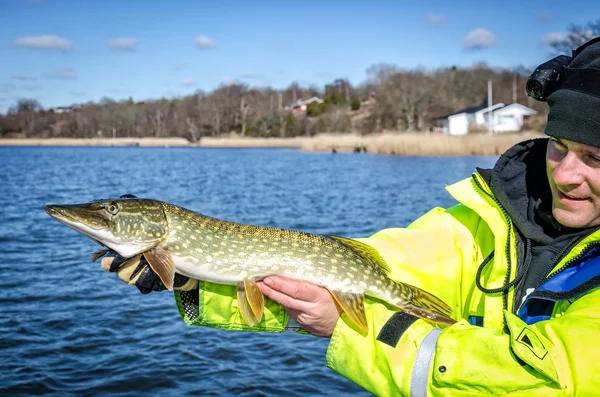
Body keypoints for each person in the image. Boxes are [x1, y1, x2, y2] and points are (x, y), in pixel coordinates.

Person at [106, 38, 600, 396]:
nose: (566, 176)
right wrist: (192, 283)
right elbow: (350, 266)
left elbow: (540, 383)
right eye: (558, 146)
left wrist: (344, 329)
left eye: (595, 158)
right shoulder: (489, 220)